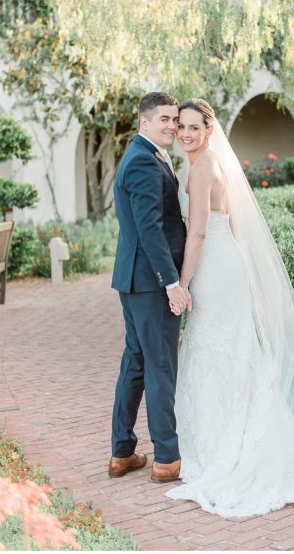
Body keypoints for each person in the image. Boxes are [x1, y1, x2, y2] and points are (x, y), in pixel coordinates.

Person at [165, 98, 294, 518]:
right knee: (231, 351)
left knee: (218, 351)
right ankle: (232, 434)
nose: (185, 133)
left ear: (209, 129)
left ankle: (226, 445)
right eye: (181, 125)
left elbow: (197, 234)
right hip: (226, 264)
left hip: (213, 269)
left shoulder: (201, 168)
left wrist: (181, 283)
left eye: (194, 127)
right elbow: (229, 221)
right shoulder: (212, 163)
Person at [108, 92, 190, 485]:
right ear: (144, 122)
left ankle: (122, 452)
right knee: (159, 367)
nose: (172, 125)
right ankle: (167, 458)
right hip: (149, 282)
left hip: (135, 279)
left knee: (137, 363)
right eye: (165, 119)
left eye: (175, 119)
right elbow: (150, 228)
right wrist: (171, 282)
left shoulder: (145, 153)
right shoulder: (143, 159)